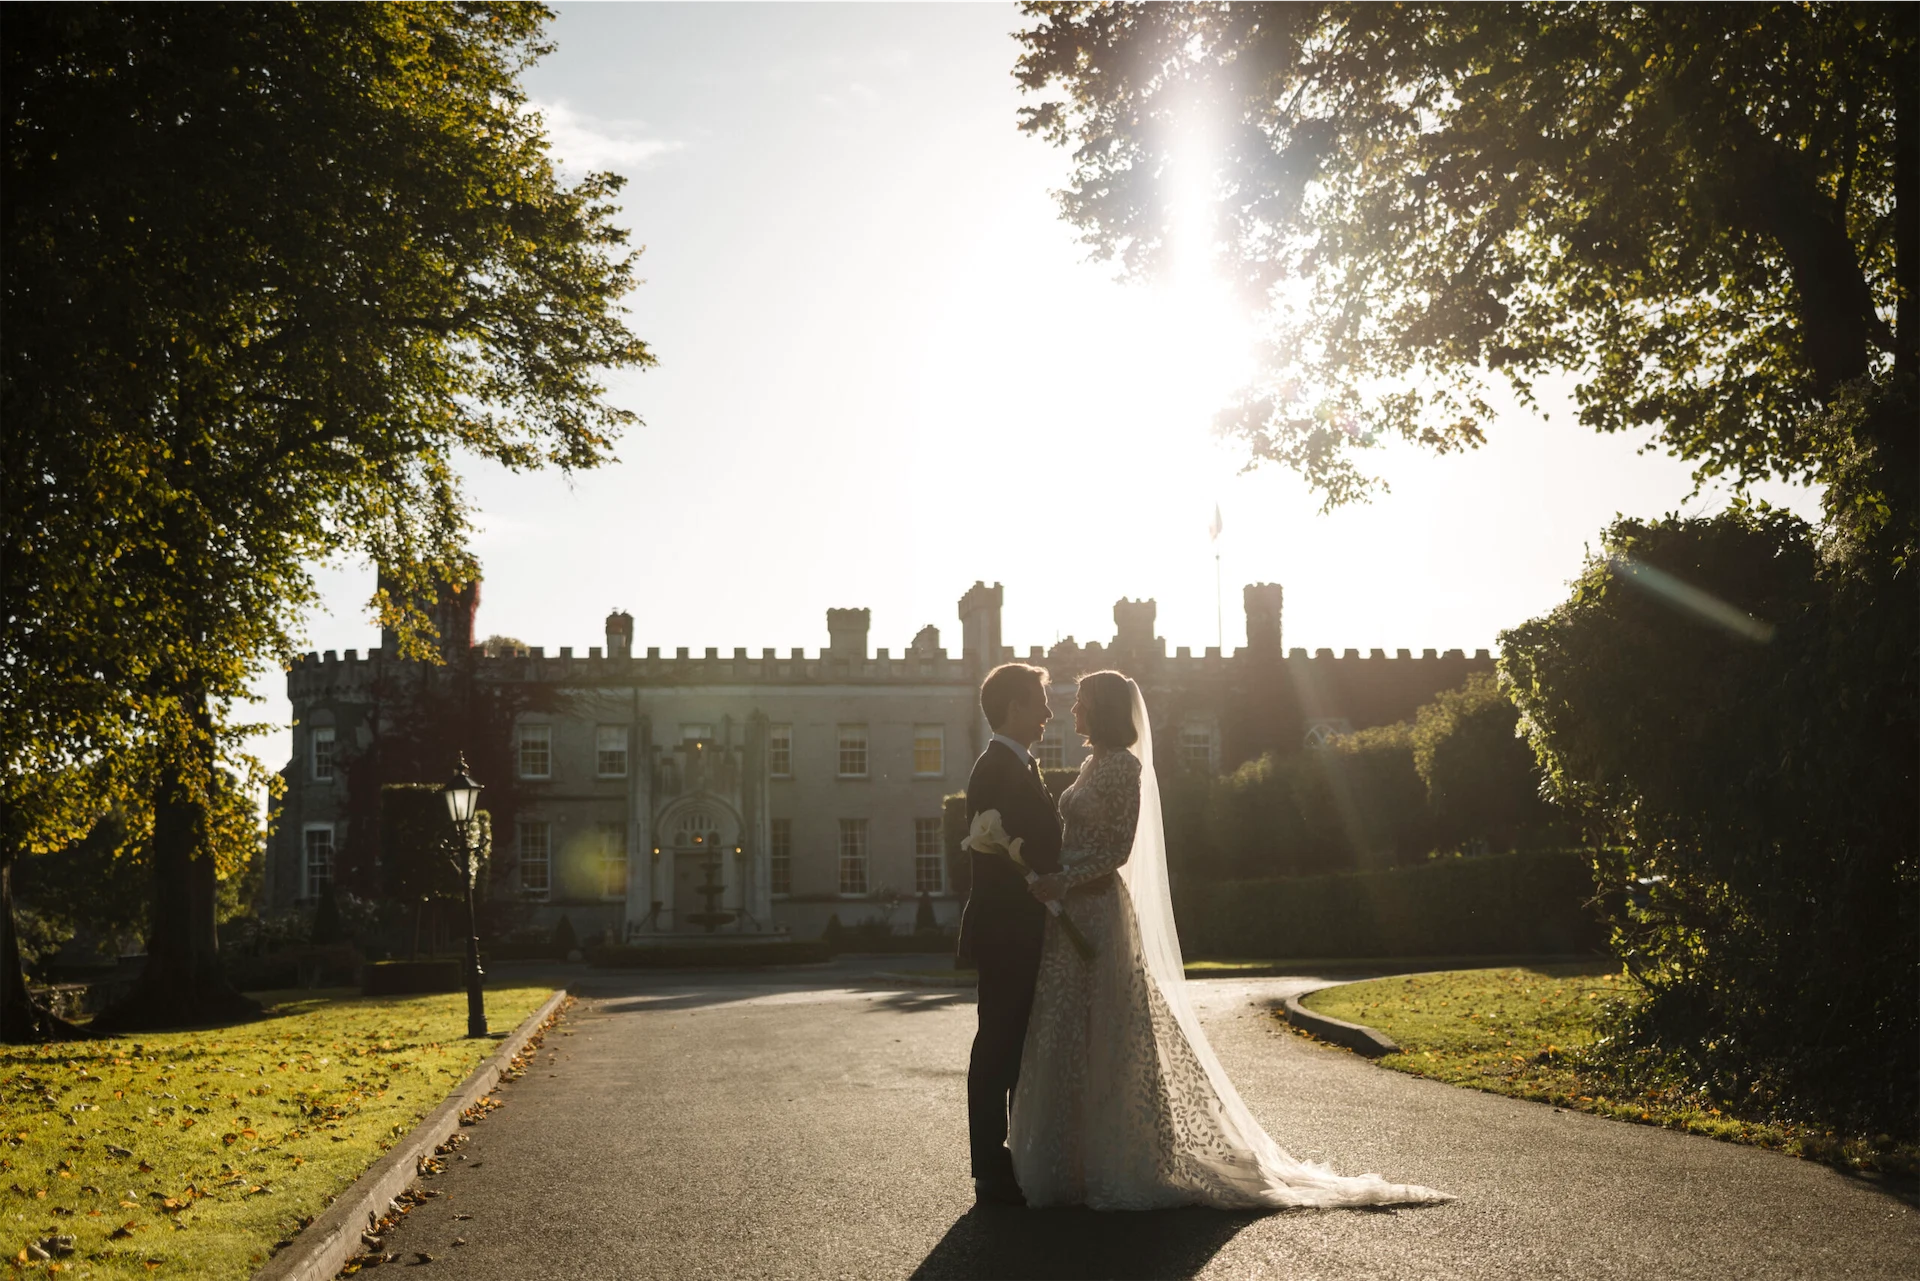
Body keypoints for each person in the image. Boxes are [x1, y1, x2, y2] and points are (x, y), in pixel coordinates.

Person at [1009, 670, 1451, 1210]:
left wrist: (1066, 880)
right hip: (1069, 912)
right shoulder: (1091, 763)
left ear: (1102, 708)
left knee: (1108, 1031)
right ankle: (1072, 1163)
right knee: (1070, 1032)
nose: (1071, 709)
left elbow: (1119, 850)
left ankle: (1119, 1162)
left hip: (1098, 910)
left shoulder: (1123, 766)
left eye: (1080, 701)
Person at [956, 662, 1061, 1207]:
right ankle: (991, 1168)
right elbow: (1025, 852)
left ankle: (1016, 1158)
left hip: (1023, 927)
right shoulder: (994, 768)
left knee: (1016, 1044)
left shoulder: (1017, 764)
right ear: (1015, 707)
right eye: (1040, 702)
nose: (1048, 712)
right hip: (1006, 930)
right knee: (997, 1044)